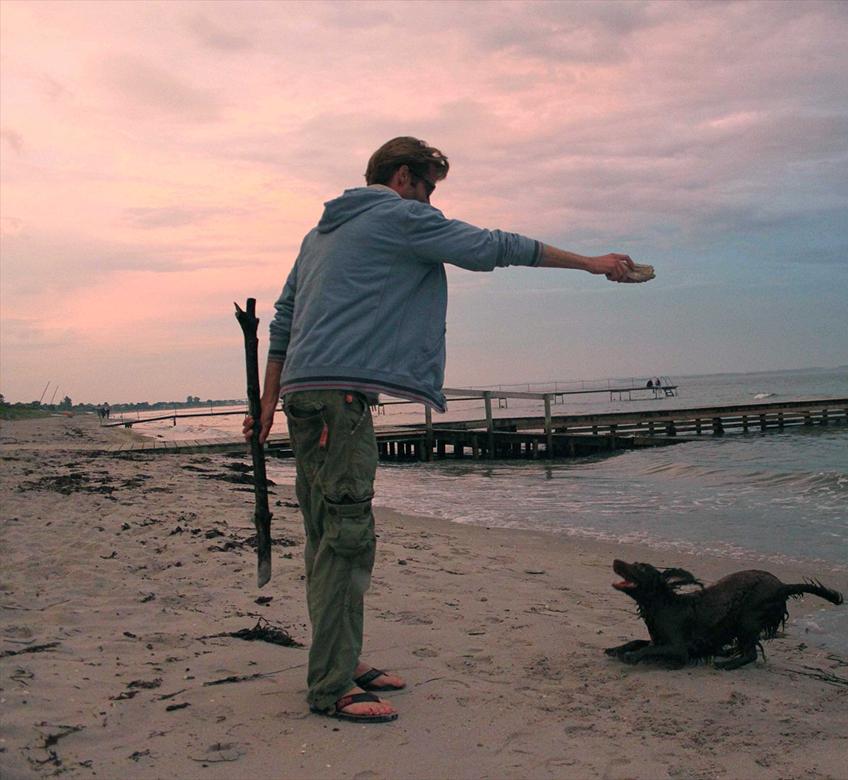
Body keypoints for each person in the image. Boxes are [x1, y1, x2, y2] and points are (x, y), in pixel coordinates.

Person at [242, 136, 642, 724]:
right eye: (429, 188)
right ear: (404, 177)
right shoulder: (399, 217)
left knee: (328, 534)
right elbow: (492, 247)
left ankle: (340, 659)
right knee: (346, 540)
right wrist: (590, 263)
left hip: (309, 399)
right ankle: (331, 685)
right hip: (338, 403)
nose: (432, 204)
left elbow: (283, 319)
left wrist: (271, 401)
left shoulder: (321, 233)